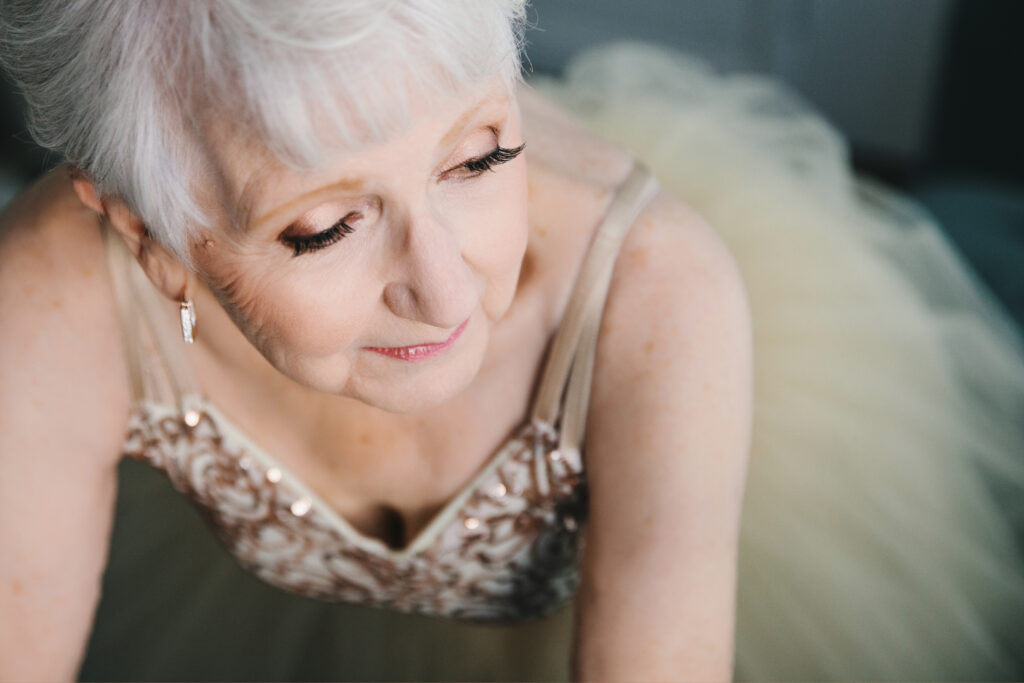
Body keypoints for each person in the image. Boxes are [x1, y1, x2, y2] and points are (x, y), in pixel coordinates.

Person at [0, 3, 1022, 683]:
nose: (449, 289)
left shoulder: (660, 299)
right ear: (151, 241)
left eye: (481, 157)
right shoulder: (51, 292)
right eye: (324, 229)